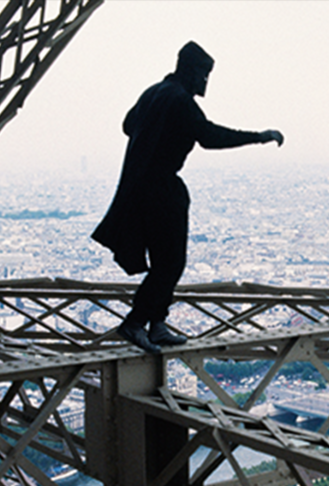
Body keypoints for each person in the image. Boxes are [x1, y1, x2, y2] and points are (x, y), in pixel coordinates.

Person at [92, 41, 284, 353]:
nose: (205, 82)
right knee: (171, 262)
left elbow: (128, 125)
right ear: (192, 71)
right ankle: (138, 322)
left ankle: (156, 325)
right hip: (161, 189)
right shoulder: (180, 100)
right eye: (203, 75)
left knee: (163, 261)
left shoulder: (153, 92)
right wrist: (259, 137)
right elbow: (209, 137)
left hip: (140, 187)